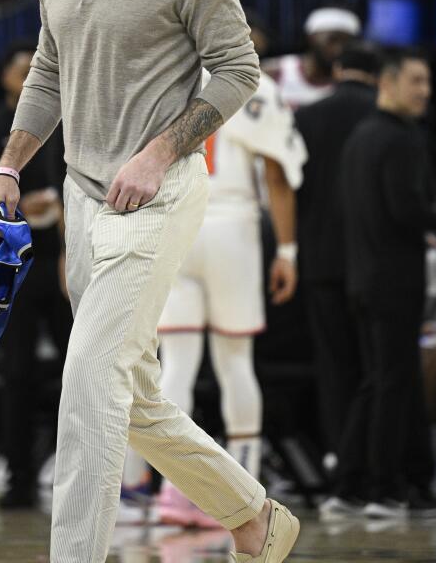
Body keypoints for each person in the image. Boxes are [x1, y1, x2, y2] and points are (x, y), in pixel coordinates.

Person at [0, 0, 299, 562]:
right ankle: (253, 515)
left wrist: (158, 152)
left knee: (88, 390)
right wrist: (9, 165)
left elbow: (236, 69)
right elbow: (50, 70)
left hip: (158, 198)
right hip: (86, 204)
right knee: (136, 392)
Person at [154, 67, 308, 528]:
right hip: (232, 229)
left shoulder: (166, 70)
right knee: (235, 362)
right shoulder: (255, 82)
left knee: (175, 365)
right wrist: (287, 250)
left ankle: (174, 491)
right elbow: (278, 173)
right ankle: (244, 495)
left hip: (175, 222)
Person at [334, 48, 436, 518]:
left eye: (429, 82)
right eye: (416, 81)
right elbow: (406, 210)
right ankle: (385, 489)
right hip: (394, 280)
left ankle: (350, 485)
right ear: (388, 83)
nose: (425, 91)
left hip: (361, 276)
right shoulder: (401, 139)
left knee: (376, 383)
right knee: (393, 384)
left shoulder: (360, 137)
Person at [0, 40, 71, 509]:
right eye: (20, 68)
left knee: (82, 370)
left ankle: (80, 474)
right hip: (13, 265)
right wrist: (22, 208)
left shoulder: (65, 123)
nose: (29, 77)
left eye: (35, 68)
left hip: (63, 258)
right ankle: (19, 478)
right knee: (17, 373)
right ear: (4, 77)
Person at [293, 41, 379, 465]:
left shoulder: (306, 117)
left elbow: (294, 189)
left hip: (320, 256)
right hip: (375, 260)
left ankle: (338, 458)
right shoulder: (384, 117)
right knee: (375, 365)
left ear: (338, 68)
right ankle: (376, 460)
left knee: (333, 365)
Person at [263, 7, 361, 110]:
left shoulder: (349, 83)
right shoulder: (276, 72)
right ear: (311, 37)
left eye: (347, 43)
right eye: (332, 40)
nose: (339, 49)